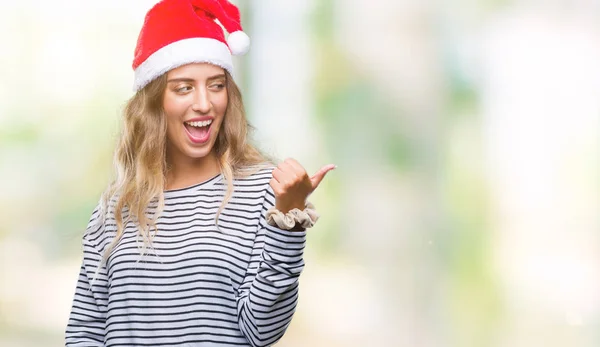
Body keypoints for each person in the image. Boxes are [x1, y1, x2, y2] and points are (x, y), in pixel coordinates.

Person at [64, 0, 335, 346]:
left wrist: (290, 219)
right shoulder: (114, 210)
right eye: (184, 87)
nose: (205, 103)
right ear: (154, 102)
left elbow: (262, 332)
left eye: (217, 85)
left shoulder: (262, 192)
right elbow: (85, 333)